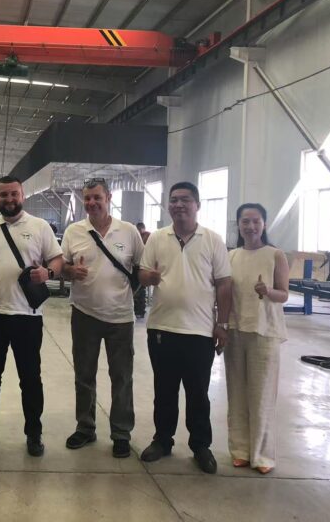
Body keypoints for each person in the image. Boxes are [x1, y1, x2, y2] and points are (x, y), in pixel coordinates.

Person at [0, 175, 63, 457]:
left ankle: (34, 433)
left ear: (22, 195)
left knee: (30, 377)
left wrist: (48, 272)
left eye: (13, 194)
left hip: (27, 316)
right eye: (3, 195)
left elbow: (57, 259)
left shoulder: (40, 227)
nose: (9, 199)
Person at [138, 181, 231, 474]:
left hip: (200, 331)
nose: (179, 205)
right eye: (174, 200)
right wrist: (149, 278)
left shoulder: (213, 240)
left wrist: (223, 324)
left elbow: (224, 285)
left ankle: (201, 446)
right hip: (162, 329)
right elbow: (142, 274)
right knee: (164, 390)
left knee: (198, 393)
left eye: (186, 200)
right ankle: (162, 440)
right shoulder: (157, 238)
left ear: (197, 205)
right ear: (168, 205)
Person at [61, 177, 144, 458]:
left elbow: (140, 270)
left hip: (121, 318)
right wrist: (70, 272)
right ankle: (85, 427)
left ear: (109, 197)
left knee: (122, 377)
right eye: (87, 198)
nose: (92, 203)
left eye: (97, 197)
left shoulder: (128, 231)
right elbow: (62, 266)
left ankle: (121, 433)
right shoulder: (74, 231)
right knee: (84, 375)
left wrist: (126, 295)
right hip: (84, 314)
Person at [226, 203, 288, 475]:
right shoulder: (231, 256)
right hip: (235, 330)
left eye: (256, 221)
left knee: (262, 395)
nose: (250, 226)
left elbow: (284, 294)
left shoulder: (275, 255)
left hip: (265, 332)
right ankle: (240, 450)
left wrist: (268, 291)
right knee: (237, 393)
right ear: (238, 225)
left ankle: (262, 455)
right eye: (245, 221)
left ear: (264, 224)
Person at [134, 223, 150, 319]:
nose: (139, 231)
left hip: (143, 266)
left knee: (140, 290)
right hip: (137, 265)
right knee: (138, 290)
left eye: (140, 230)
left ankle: (140, 310)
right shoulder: (138, 236)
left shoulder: (148, 236)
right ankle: (138, 310)